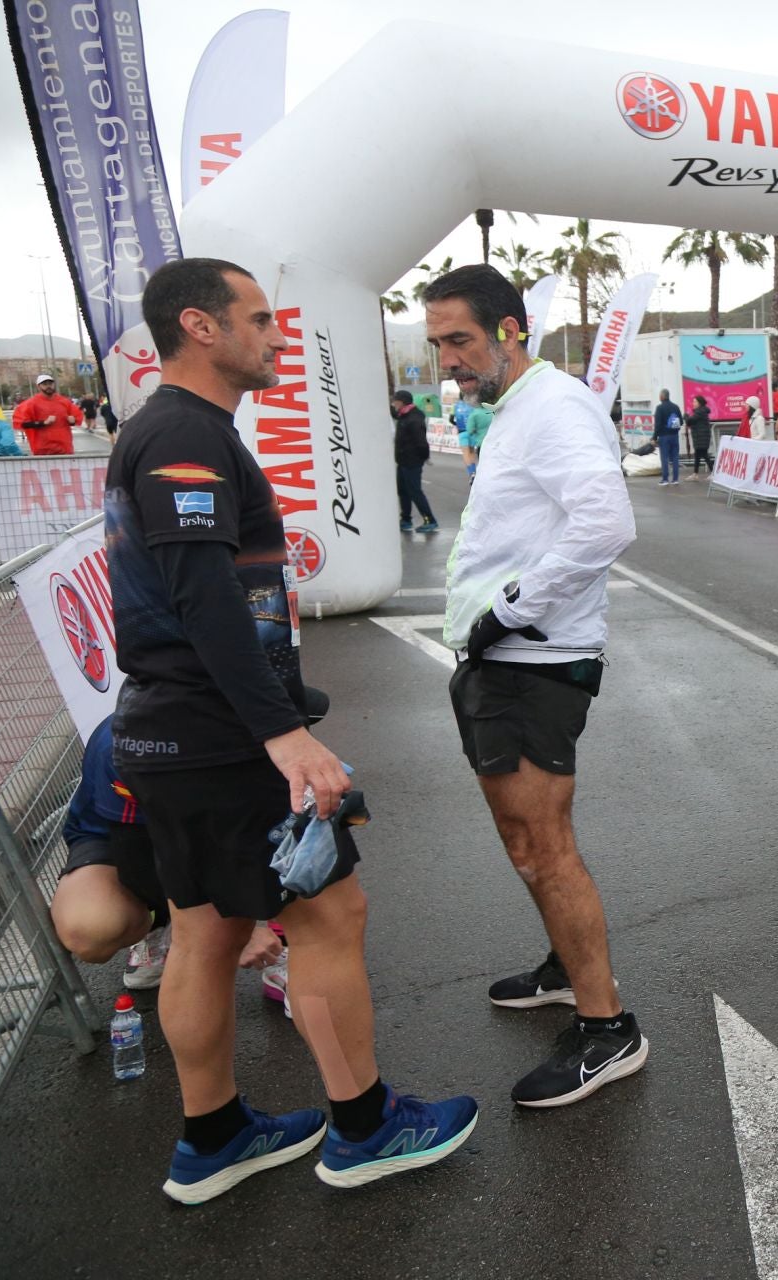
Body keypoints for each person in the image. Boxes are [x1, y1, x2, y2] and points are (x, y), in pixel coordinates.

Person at [106, 257, 476, 1203]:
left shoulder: (174, 431)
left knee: (203, 935)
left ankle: (215, 1137)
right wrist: (281, 733)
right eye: (260, 319)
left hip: (172, 731)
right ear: (200, 326)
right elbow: (202, 597)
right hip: (219, 735)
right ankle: (364, 1128)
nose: (275, 337)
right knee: (328, 916)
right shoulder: (183, 435)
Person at [428, 263, 647, 1108]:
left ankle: (606, 1028)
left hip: (532, 663)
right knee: (527, 846)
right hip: (502, 662)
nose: (449, 358)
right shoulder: (515, 407)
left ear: (511, 330)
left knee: (543, 847)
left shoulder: (552, 406)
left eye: (461, 340)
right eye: (439, 341)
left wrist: (511, 610)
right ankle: (566, 969)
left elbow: (606, 523)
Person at [54, 715, 296, 1010]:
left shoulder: (244, 711)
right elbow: (140, 863)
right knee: (90, 930)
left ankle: (286, 944)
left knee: (286, 824)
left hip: (211, 821)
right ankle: (163, 929)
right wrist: (229, 926)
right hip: (128, 840)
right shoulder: (125, 745)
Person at [391, 390, 437, 533]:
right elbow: (392, 413)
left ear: (403, 401)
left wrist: (425, 457)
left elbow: (421, 442)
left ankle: (430, 520)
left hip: (412, 461)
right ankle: (405, 520)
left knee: (415, 491)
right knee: (403, 491)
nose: (393, 404)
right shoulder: (403, 415)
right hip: (402, 461)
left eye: (395, 401)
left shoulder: (414, 418)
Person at [13, 373, 82, 455]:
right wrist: (43, 423)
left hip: (64, 447)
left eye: (50, 384)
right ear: (38, 387)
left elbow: (77, 417)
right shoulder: (31, 403)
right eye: (45, 384)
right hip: (43, 448)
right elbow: (22, 423)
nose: (48, 386)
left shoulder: (64, 402)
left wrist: (72, 421)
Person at [651, 388, 683, 485]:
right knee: (675, 457)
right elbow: (681, 422)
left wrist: (654, 437)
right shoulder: (676, 407)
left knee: (664, 458)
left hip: (664, 436)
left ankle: (665, 479)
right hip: (675, 435)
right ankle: (675, 479)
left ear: (661, 397)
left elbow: (658, 424)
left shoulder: (659, 408)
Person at [688, 394, 714, 476]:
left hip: (701, 438)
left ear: (699, 403)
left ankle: (713, 473)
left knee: (704, 455)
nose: (693, 403)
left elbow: (691, 420)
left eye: (695, 402)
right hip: (700, 438)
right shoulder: (701, 411)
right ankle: (695, 474)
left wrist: (686, 417)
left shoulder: (700, 411)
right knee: (698, 455)